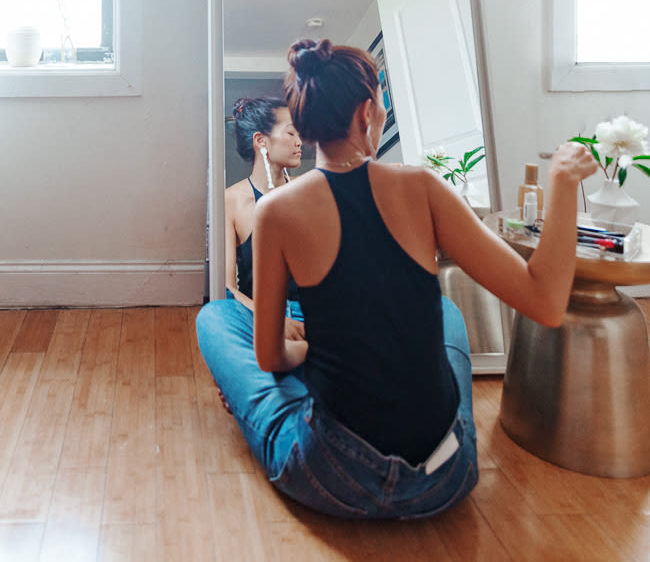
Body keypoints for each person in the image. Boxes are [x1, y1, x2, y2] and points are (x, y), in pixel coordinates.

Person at [197, 40, 598, 520]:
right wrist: (563, 183)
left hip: (333, 475)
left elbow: (270, 358)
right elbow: (547, 302)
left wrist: (312, 353)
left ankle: (309, 386)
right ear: (366, 113)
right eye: (382, 102)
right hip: (445, 477)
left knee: (214, 319)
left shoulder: (276, 210)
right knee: (446, 314)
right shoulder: (422, 186)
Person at [225, 96, 304, 333]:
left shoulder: (310, 189)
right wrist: (276, 322)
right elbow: (227, 289)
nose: (299, 142)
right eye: (291, 133)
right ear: (261, 141)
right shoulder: (231, 201)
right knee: (213, 315)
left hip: (317, 315)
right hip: (260, 317)